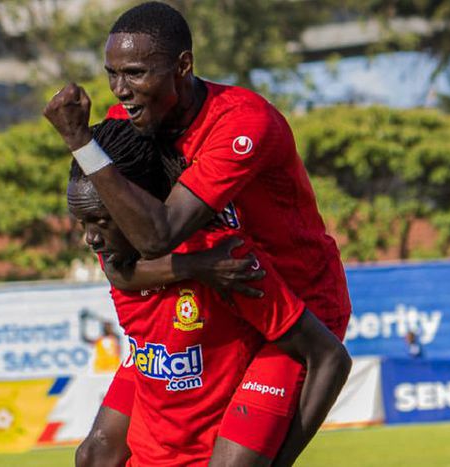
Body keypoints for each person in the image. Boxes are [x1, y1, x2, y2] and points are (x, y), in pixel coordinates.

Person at [44, 3, 352, 464]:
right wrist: (195, 267)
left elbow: (157, 235)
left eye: (135, 73)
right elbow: (119, 264)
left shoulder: (242, 123)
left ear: (183, 66)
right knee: (97, 455)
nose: (121, 90)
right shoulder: (130, 124)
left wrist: (81, 142)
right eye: (112, 74)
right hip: (211, 288)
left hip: (287, 301)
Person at [68, 118, 350, 466]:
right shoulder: (115, 252)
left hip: (250, 362)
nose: (91, 239)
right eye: (83, 223)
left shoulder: (227, 261)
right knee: (92, 456)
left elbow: (329, 358)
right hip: (158, 365)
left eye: (101, 221)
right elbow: (120, 274)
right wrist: (193, 267)